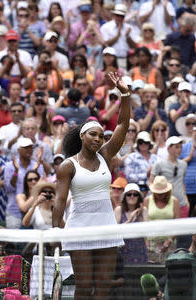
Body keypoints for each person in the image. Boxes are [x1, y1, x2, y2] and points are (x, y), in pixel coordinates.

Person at [52, 72, 130, 300]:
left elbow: (123, 124)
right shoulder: (68, 166)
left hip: (106, 227)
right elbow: (58, 203)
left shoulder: (105, 155)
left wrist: (124, 93)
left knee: (103, 288)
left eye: (101, 136)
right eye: (93, 135)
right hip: (79, 230)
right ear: (83, 137)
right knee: (84, 287)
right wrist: (56, 235)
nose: (98, 139)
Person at [150, 136, 189, 218]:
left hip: (182, 203)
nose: (180, 149)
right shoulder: (159, 164)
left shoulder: (183, 164)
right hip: (165, 205)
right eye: (177, 147)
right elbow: (151, 182)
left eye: (181, 147)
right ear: (168, 148)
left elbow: (181, 182)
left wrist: (186, 200)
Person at [144, 176, 180, 263]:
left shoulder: (174, 201)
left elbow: (178, 224)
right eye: (157, 193)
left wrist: (169, 240)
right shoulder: (147, 200)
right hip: (151, 241)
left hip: (169, 241)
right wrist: (146, 241)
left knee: (168, 266)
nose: (159, 195)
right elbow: (144, 222)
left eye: (162, 193)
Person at [114, 183, 148, 264]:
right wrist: (129, 220)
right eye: (129, 194)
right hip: (122, 251)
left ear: (138, 197)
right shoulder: (119, 210)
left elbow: (146, 231)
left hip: (140, 251)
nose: (132, 196)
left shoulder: (144, 210)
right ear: (125, 197)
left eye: (135, 194)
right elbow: (114, 231)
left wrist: (139, 216)